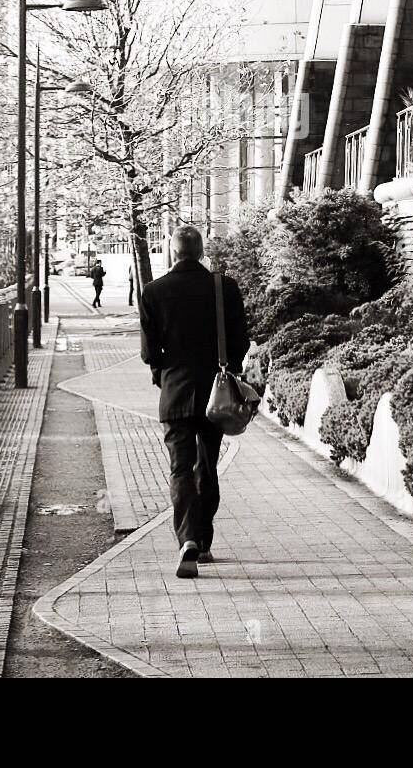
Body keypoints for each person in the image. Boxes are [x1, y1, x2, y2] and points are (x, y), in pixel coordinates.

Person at [138, 225, 249, 579]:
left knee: (180, 469)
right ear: (201, 252)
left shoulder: (153, 292)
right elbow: (241, 342)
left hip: (175, 394)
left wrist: (163, 373)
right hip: (216, 394)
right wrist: (227, 368)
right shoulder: (223, 287)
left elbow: (149, 352)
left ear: (173, 253)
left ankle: (186, 538)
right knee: (208, 466)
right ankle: (203, 540)